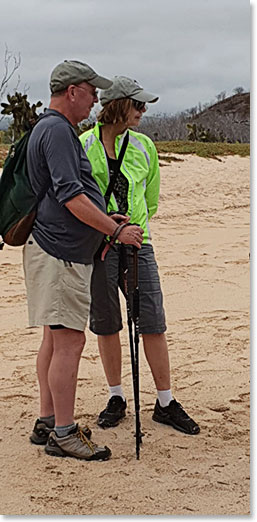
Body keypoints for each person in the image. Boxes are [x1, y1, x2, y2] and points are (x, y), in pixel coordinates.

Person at [24, 61, 143, 461]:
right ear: (72, 91)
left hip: (54, 250)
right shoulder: (57, 131)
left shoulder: (50, 128)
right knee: (70, 341)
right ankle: (63, 431)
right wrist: (113, 230)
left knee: (54, 339)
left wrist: (107, 221)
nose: (96, 100)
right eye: (92, 92)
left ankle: (48, 419)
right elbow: (71, 196)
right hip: (60, 254)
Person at [80, 76, 200, 436]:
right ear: (118, 106)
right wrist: (107, 227)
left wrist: (133, 229)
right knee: (107, 322)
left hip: (137, 243)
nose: (143, 111)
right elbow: (80, 199)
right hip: (99, 245)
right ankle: (116, 396)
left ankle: (165, 401)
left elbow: (150, 200)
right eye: (138, 105)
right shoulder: (84, 145)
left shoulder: (145, 146)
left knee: (152, 320)